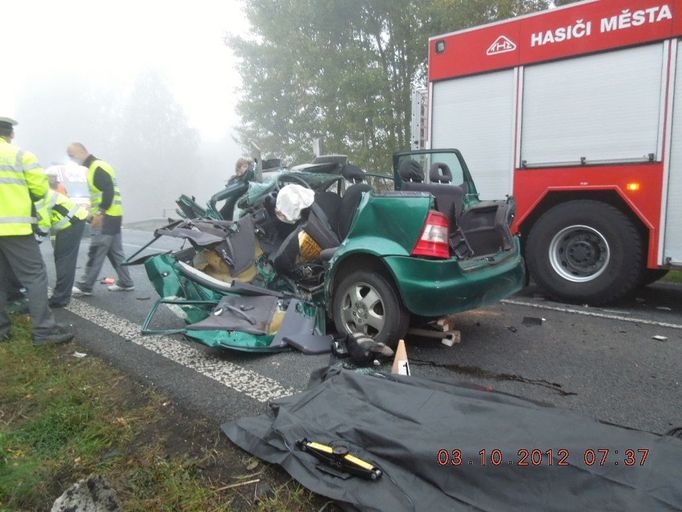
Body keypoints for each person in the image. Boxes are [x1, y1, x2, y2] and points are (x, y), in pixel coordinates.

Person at [0, 116, 74, 345]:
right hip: (15, 227)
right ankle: (44, 330)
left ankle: (2, 330)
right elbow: (41, 190)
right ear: (11, 134)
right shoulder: (21, 155)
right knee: (34, 276)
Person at [66, 143, 134, 296]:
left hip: (106, 218)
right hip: (114, 215)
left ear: (81, 151)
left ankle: (85, 286)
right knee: (115, 252)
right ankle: (126, 281)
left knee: (96, 251)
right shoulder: (100, 165)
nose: (72, 159)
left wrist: (100, 213)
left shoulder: (96, 167)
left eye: (72, 155)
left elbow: (108, 190)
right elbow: (104, 191)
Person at [34, 187, 88, 307]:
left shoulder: (36, 198)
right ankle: (61, 295)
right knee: (61, 257)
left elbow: (43, 226)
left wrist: (33, 245)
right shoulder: (34, 192)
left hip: (73, 221)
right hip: (66, 221)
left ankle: (61, 298)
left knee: (64, 260)